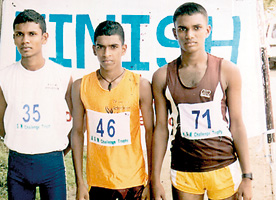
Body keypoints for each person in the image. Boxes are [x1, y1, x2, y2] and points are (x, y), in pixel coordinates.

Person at [151, 2, 252, 200]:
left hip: (222, 166)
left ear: (207, 30)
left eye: (196, 28)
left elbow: (237, 123)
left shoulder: (227, 70)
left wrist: (247, 176)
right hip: (184, 169)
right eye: (183, 29)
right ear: (174, 33)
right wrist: (155, 179)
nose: (189, 35)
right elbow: (161, 128)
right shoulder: (162, 76)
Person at [0, 9, 73, 199]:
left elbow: (76, 120)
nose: (25, 40)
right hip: (18, 162)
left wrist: (60, 150)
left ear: (44, 38)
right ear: (13, 38)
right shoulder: (2, 78)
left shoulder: (62, 75)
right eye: (19, 34)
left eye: (32, 34)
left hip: (52, 161)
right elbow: (1, 123)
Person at [71, 20, 154, 200]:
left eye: (113, 47)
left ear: (123, 49)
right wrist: (80, 182)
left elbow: (150, 132)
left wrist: (152, 180)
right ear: (94, 49)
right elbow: (77, 133)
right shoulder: (81, 86)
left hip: (133, 181)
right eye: (101, 47)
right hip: (98, 182)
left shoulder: (140, 85)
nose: (106, 53)